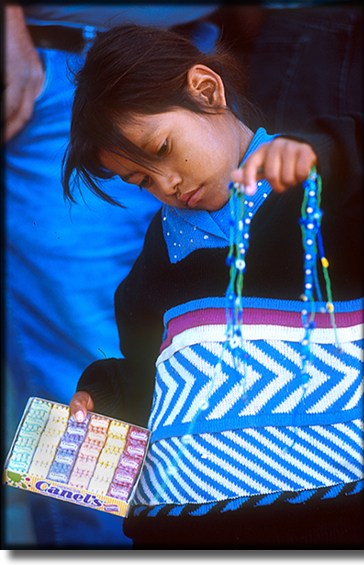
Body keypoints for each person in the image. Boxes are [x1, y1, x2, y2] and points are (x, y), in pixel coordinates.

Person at [62, 23, 364, 549]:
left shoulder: (326, 190)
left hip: (341, 526)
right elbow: (150, 385)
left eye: (162, 148)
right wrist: (106, 396)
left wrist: (330, 154)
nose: (168, 186)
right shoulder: (148, 279)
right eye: (141, 181)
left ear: (207, 90)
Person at [4, 3, 219, 548]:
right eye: (148, 178)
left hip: (192, 49)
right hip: (59, 73)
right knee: (86, 383)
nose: (165, 184)